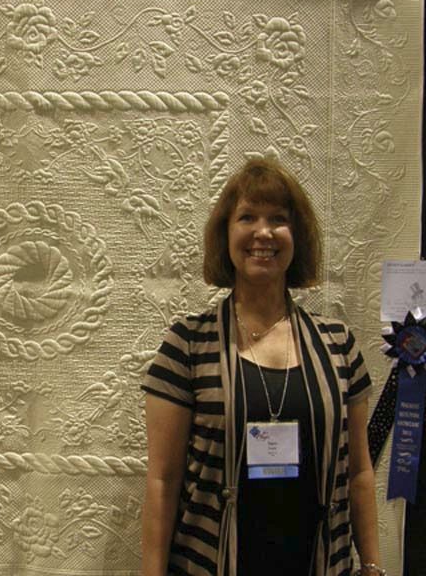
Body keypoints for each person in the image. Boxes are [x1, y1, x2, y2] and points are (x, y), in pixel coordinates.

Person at [140, 159, 382, 576]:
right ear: (226, 234)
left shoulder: (338, 344)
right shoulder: (188, 345)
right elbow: (163, 481)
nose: (263, 232)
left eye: (278, 219)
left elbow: (359, 472)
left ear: (297, 236)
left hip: (320, 563)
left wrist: (373, 566)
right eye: (247, 217)